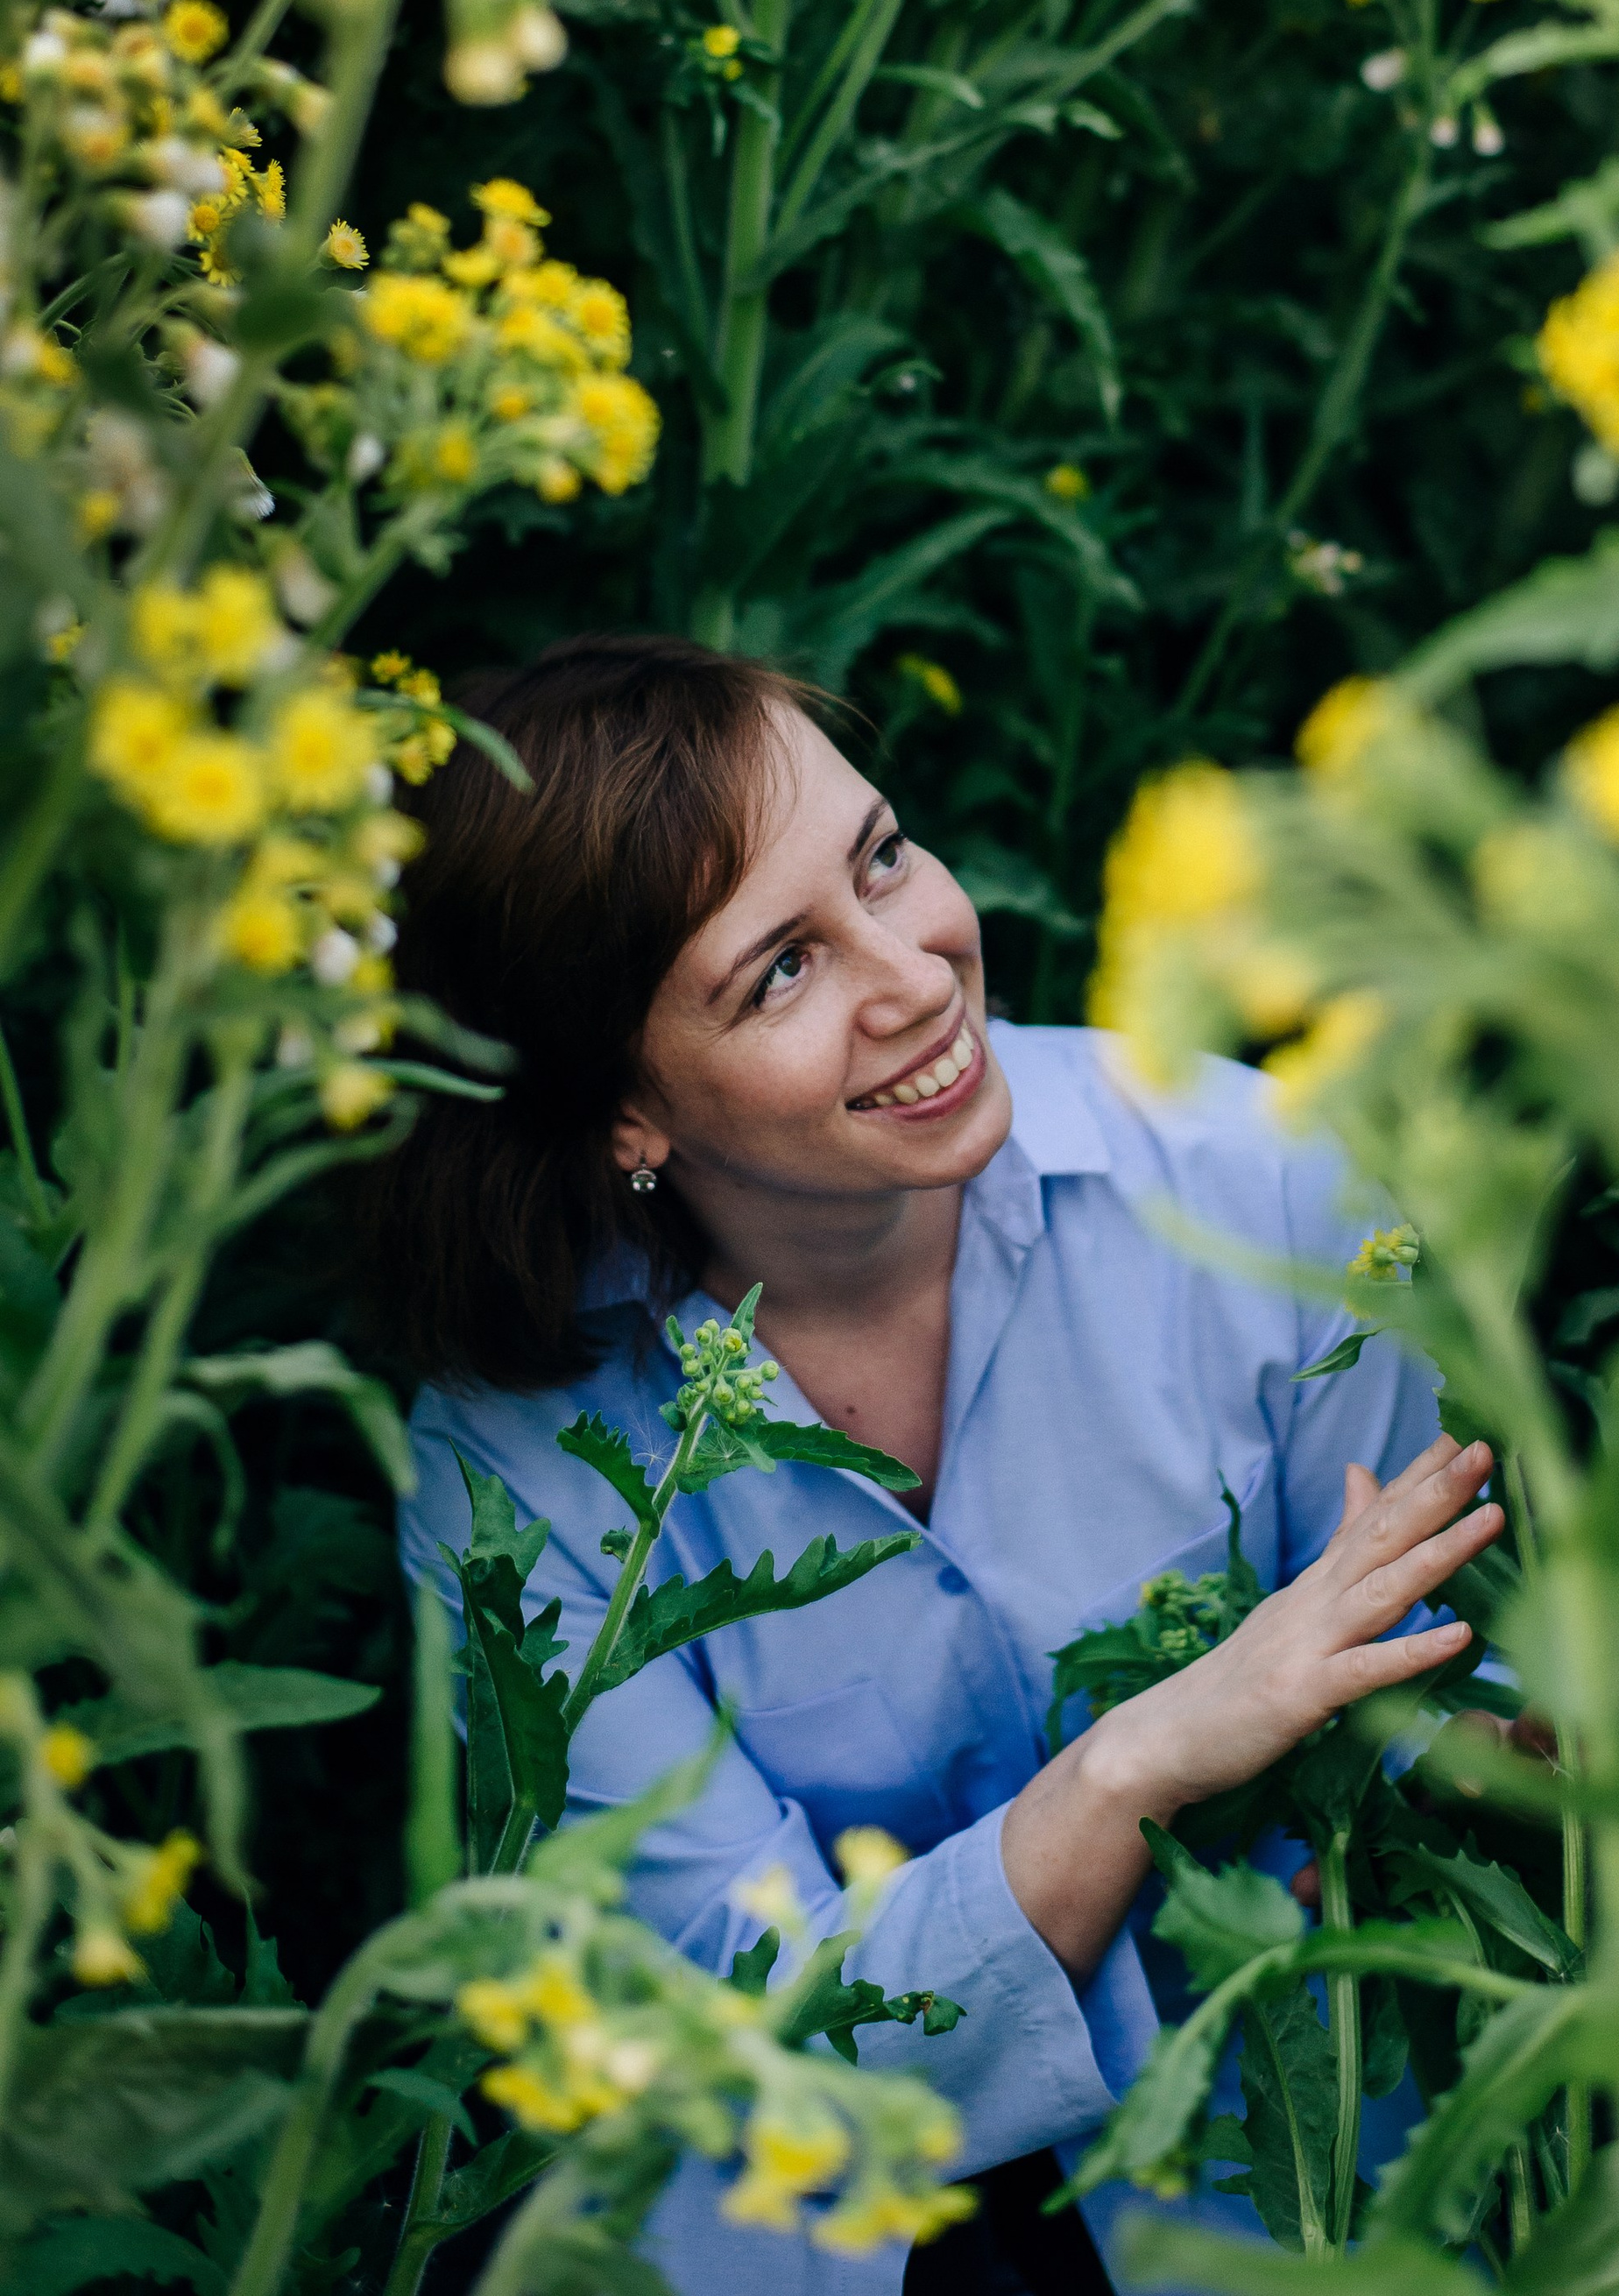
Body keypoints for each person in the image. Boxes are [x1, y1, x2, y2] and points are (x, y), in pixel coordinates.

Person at [375, 635, 1501, 2296]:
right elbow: (723, 2035)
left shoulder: (1270, 1191)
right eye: (781, 972)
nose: (913, 976)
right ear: (624, 1115)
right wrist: (1139, 1769)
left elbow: (1427, 1740)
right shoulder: (512, 1458)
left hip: (1282, 2169)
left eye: (884, 860)